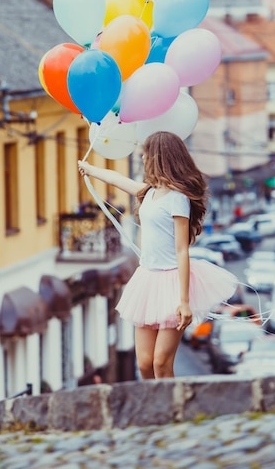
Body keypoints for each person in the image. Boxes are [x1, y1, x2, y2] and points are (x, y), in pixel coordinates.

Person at [78, 131, 237, 380]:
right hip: (147, 280)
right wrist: (88, 168)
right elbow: (117, 178)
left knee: (161, 363)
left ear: (159, 158)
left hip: (173, 281)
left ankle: (172, 415)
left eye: (145, 154)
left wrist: (183, 301)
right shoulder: (148, 193)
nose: (142, 158)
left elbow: (182, 249)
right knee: (144, 364)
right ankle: (155, 410)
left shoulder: (178, 199)